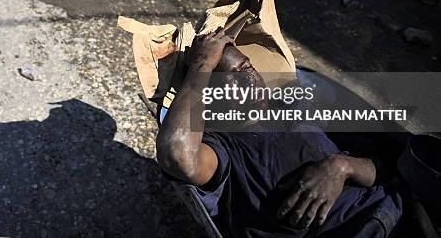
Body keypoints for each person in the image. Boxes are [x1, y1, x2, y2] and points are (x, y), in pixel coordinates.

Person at [156, 32, 403, 237]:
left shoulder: (296, 110)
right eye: (223, 81)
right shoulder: (223, 148)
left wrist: (342, 167)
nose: (245, 82)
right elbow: (178, 157)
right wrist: (202, 65)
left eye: (245, 67)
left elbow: (387, 166)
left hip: (392, 211)